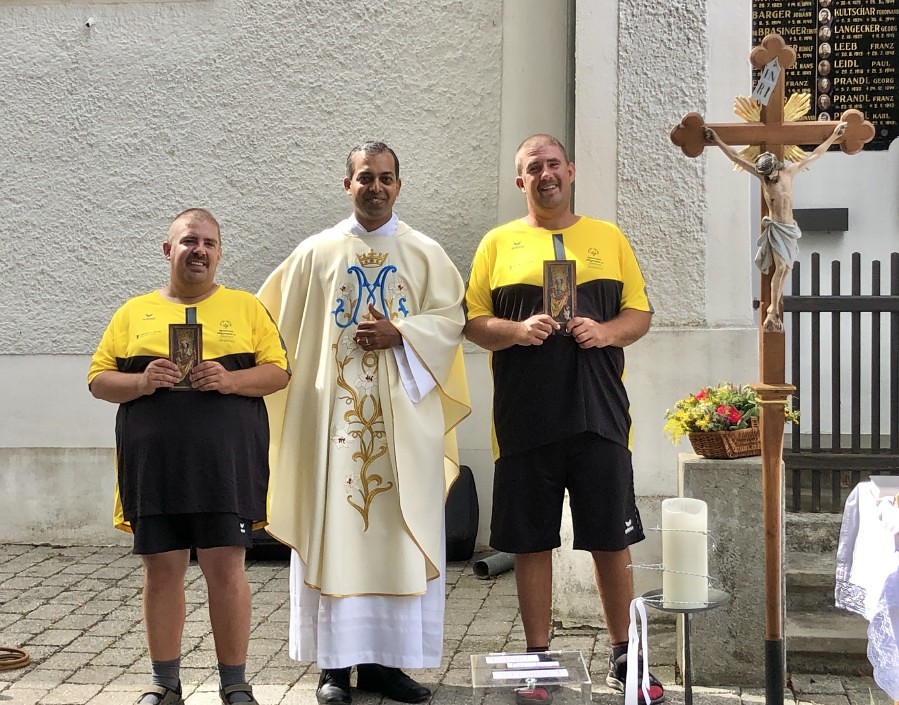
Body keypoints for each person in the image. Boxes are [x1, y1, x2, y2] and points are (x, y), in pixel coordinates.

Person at [258, 142, 470, 705]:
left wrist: (404, 333)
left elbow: (453, 320)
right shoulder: (315, 254)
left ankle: (385, 667)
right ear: (346, 184)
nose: (376, 187)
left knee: (397, 537)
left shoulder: (425, 253)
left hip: (405, 428)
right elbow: (265, 321)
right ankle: (334, 668)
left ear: (399, 185)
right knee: (335, 531)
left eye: (385, 178)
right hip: (334, 428)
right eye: (365, 177)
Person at [464, 134, 660, 704]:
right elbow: (473, 322)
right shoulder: (496, 243)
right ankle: (537, 659)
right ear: (520, 180)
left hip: (600, 417)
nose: (545, 174)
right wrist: (516, 330)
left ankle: (625, 656)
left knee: (611, 541)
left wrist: (606, 330)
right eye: (534, 167)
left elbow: (640, 312)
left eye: (553, 164)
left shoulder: (608, 237)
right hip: (524, 421)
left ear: (570, 171)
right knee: (531, 544)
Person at [88, 208, 291, 705]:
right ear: (168, 250)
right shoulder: (132, 312)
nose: (199, 250)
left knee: (227, 569)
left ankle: (235, 683)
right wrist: (141, 382)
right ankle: (164, 683)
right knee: (162, 572)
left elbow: (280, 372)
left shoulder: (246, 308)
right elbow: (98, 380)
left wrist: (230, 380)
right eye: (188, 241)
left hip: (226, 466)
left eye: (208, 243)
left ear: (219, 253)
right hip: (153, 467)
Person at [705, 121, 847, 332]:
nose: (768, 178)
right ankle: (772, 310)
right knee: (780, 268)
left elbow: (816, 155)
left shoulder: (789, 173)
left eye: (770, 174)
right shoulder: (763, 179)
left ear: (777, 168)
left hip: (789, 229)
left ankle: (774, 308)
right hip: (777, 229)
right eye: (765, 175)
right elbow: (735, 157)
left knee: (785, 269)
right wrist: (717, 140)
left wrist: (834, 136)